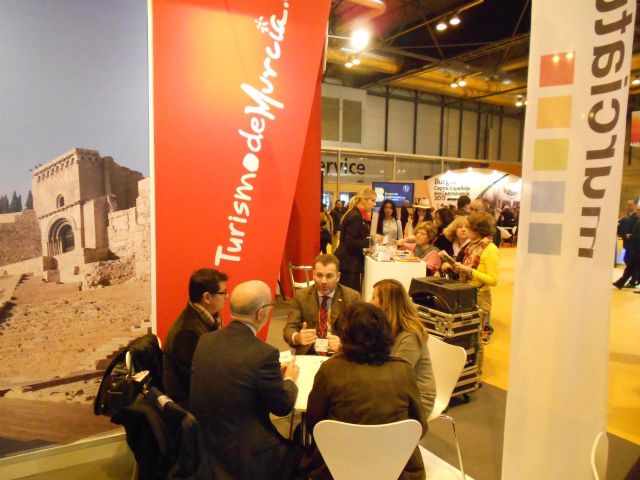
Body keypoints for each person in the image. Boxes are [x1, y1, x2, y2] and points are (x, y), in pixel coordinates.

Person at [300, 303, 428, 480]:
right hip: (398, 470)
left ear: (345, 335)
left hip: (335, 468)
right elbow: (420, 427)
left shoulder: (329, 370)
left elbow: (314, 424)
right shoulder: (403, 370)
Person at [190, 281, 301, 480]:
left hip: (207, 447)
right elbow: (283, 407)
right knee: (303, 454)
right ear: (260, 313)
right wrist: (290, 380)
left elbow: (234, 377)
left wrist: (271, 375)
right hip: (247, 456)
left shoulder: (205, 341)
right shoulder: (263, 354)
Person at [163, 268, 228, 408]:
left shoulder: (209, 319)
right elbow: (198, 379)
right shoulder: (187, 333)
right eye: (223, 292)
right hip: (189, 403)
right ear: (207, 297)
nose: (227, 296)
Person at [371, 279, 436, 418]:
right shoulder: (387, 326)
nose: (370, 302)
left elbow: (396, 377)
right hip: (397, 391)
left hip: (417, 399)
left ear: (386, 305)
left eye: (373, 297)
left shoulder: (410, 336)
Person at [283, 254, 360, 355]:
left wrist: (343, 345)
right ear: (313, 274)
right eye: (319, 275)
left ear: (338, 277)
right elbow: (289, 329)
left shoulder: (352, 297)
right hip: (309, 353)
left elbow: (359, 334)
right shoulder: (301, 296)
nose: (323, 281)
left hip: (338, 355)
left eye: (329, 276)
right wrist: (297, 337)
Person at [444, 211, 499, 347]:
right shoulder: (473, 246)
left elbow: (493, 280)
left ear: (477, 230)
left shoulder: (490, 249)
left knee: (477, 339)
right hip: (467, 292)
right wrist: (459, 268)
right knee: (466, 335)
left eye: (468, 227)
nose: (466, 230)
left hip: (480, 296)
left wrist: (470, 271)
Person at [334, 187, 376, 292]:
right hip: (349, 262)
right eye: (373, 200)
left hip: (347, 261)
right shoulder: (356, 216)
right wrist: (371, 240)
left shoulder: (354, 213)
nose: (374, 204)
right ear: (364, 200)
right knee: (350, 295)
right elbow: (350, 242)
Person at [615, 204, 640, 289]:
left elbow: (638, 235)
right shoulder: (637, 221)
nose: (636, 212)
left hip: (637, 248)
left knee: (632, 266)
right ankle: (621, 283)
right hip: (635, 248)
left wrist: (631, 236)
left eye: (638, 210)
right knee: (631, 267)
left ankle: (625, 282)